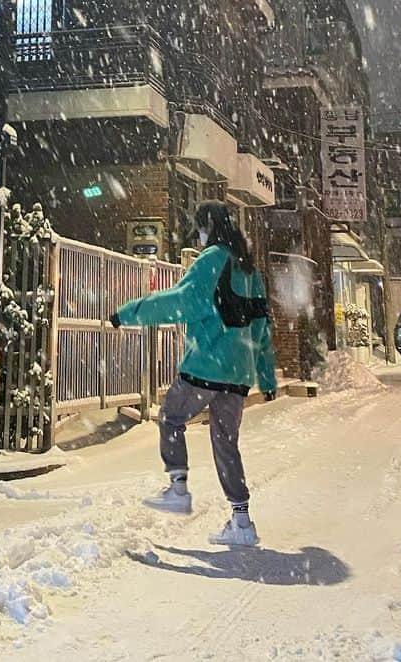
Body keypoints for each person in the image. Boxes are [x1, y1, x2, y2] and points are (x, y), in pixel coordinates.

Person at [110, 201, 277, 547]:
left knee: (171, 418)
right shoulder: (251, 271)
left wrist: (126, 313)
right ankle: (241, 520)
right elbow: (263, 329)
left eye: (200, 227)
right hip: (238, 375)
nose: (198, 234)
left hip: (205, 367)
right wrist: (266, 376)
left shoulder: (210, 261)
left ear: (209, 227)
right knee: (226, 444)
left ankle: (178, 486)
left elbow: (179, 302)